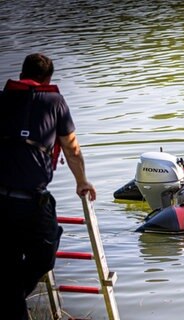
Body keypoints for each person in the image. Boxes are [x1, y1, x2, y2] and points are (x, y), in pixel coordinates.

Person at [0, 53, 97, 320]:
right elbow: (71, 147)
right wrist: (82, 182)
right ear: (48, 79)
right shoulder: (55, 101)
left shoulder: (3, 98)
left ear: (21, 75)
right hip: (32, 202)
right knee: (45, 252)